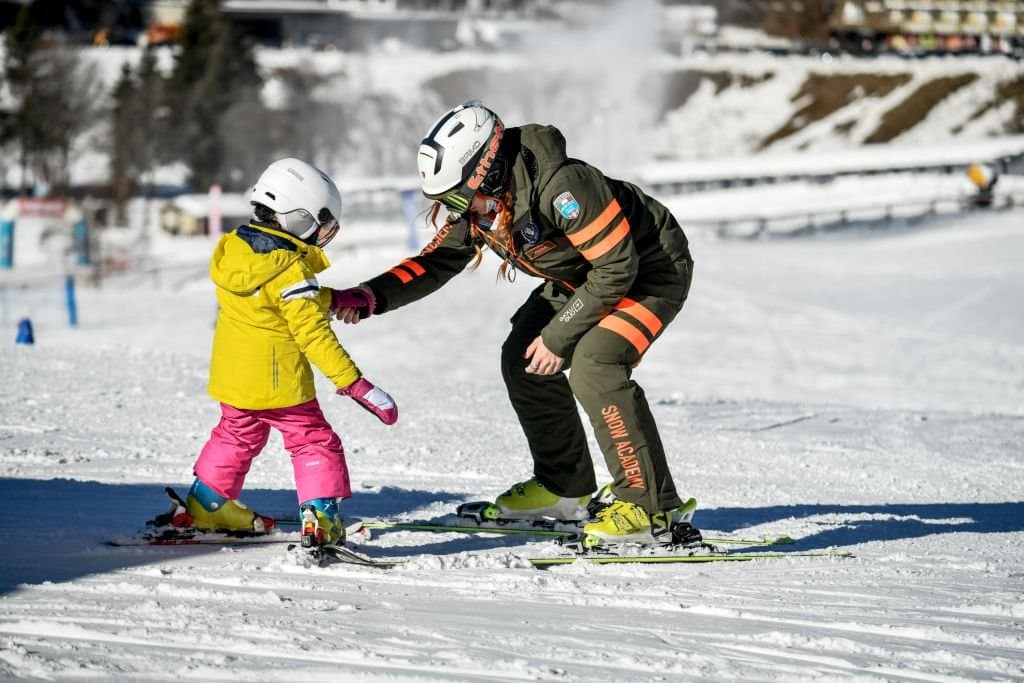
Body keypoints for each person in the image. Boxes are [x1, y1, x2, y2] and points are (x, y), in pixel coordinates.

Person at [331, 101, 694, 545]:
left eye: (458, 196)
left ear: (491, 170)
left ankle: (648, 507)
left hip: (650, 270)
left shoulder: (564, 186)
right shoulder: (483, 205)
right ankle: (564, 488)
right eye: (446, 201)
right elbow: (438, 260)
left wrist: (559, 337)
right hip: (583, 276)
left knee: (595, 365)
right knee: (521, 357)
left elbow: (617, 268)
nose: (457, 210)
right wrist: (370, 295)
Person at [181, 158, 398, 550]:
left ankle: (206, 504)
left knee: (234, 435)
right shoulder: (290, 271)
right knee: (313, 440)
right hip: (280, 385)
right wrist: (355, 384)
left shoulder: (234, 251)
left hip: (234, 380)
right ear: (298, 219)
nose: (325, 233)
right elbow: (312, 333)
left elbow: (270, 300)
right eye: (323, 222)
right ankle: (320, 518)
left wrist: (329, 297)